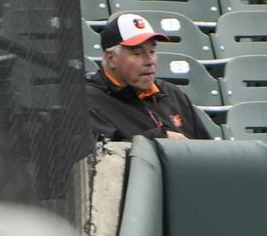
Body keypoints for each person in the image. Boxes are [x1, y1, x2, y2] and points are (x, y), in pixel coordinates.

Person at [86, 12, 211, 142]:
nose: (149, 60)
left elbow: (207, 149)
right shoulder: (89, 101)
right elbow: (104, 155)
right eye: (138, 53)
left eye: (152, 51)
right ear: (111, 59)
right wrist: (158, 140)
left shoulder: (171, 93)